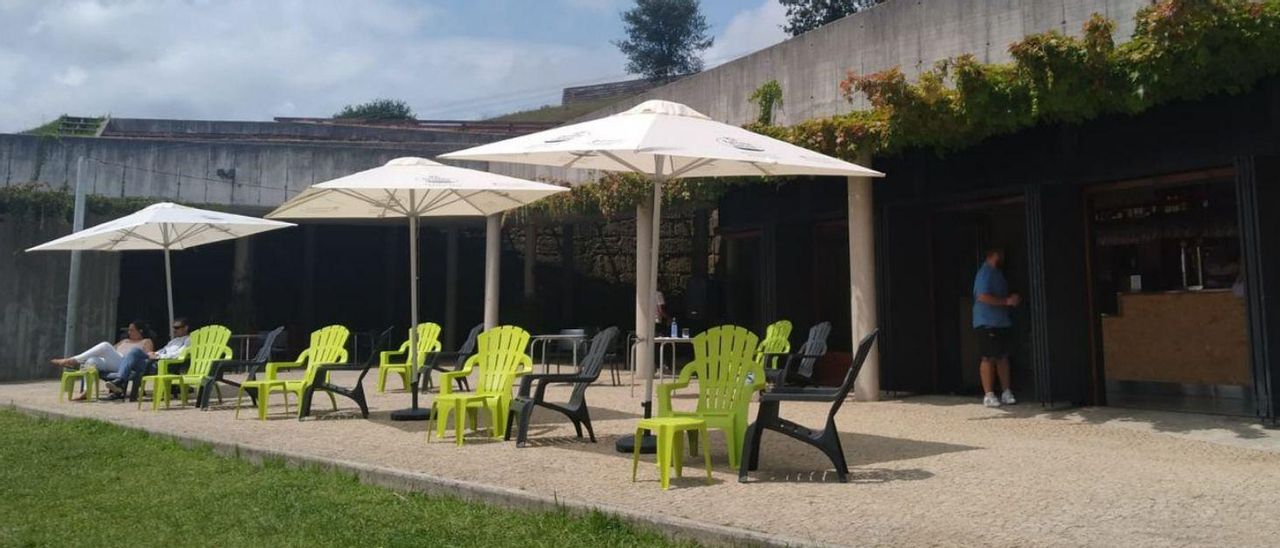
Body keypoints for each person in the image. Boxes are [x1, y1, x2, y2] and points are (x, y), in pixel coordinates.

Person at [50, 321, 155, 400]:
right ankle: (86, 391)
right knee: (92, 360)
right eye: (128, 329)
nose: (129, 332)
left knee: (105, 345)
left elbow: (148, 355)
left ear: (140, 331)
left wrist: (151, 355)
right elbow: (111, 351)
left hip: (126, 363)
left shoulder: (145, 341)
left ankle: (72, 360)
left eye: (131, 330)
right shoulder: (125, 341)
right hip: (115, 361)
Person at [972, 247, 1019, 408]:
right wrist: (1005, 302)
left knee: (1003, 357)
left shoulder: (998, 274)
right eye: (1001, 254)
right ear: (993, 255)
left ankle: (1006, 391)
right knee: (988, 357)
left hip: (1001, 321)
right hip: (987, 322)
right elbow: (982, 296)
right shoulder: (985, 273)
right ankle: (989, 394)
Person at [102, 318, 192, 400]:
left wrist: (159, 356)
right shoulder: (174, 341)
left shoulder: (188, 340)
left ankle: (120, 381)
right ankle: (120, 381)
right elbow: (164, 350)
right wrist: (155, 353)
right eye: (173, 328)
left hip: (162, 365)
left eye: (177, 327)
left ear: (186, 328)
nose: (174, 330)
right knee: (132, 355)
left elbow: (179, 354)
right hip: (153, 361)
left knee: (135, 351)